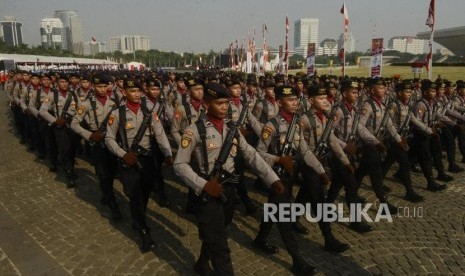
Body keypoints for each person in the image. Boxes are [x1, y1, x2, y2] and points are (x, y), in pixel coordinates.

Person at [173, 82, 298, 275]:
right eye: (219, 103)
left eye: (227, 103)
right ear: (207, 104)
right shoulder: (194, 131)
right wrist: (204, 185)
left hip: (228, 190)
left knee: (219, 231)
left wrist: (272, 179)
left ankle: (201, 263)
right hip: (209, 191)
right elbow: (179, 165)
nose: (225, 107)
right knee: (221, 246)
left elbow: (251, 155)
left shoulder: (232, 128)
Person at [105, 78, 174, 252]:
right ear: (124, 93)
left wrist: (168, 154)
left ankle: (138, 217)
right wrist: (123, 154)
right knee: (134, 195)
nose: (136, 94)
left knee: (144, 194)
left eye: (138, 91)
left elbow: (160, 134)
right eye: (132, 91)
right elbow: (109, 139)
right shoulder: (117, 113)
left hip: (148, 159)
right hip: (129, 160)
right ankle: (144, 231)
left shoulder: (149, 111)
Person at [71, 74, 122, 220]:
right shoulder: (86, 104)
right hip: (98, 143)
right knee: (103, 174)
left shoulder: (115, 102)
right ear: (93, 87)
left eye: (105, 86)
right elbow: (74, 124)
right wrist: (89, 135)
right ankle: (113, 204)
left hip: (113, 142)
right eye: (99, 86)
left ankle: (107, 194)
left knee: (112, 172)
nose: (102, 89)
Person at [39, 73, 81, 188]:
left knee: (72, 149)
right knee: (65, 149)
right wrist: (54, 120)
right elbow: (42, 111)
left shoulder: (74, 95)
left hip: (72, 126)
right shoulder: (52, 96)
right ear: (57, 84)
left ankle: (71, 168)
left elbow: (81, 109)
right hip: (60, 127)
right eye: (62, 82)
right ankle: (69, 174)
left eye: (66, 82)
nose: (64, 84)